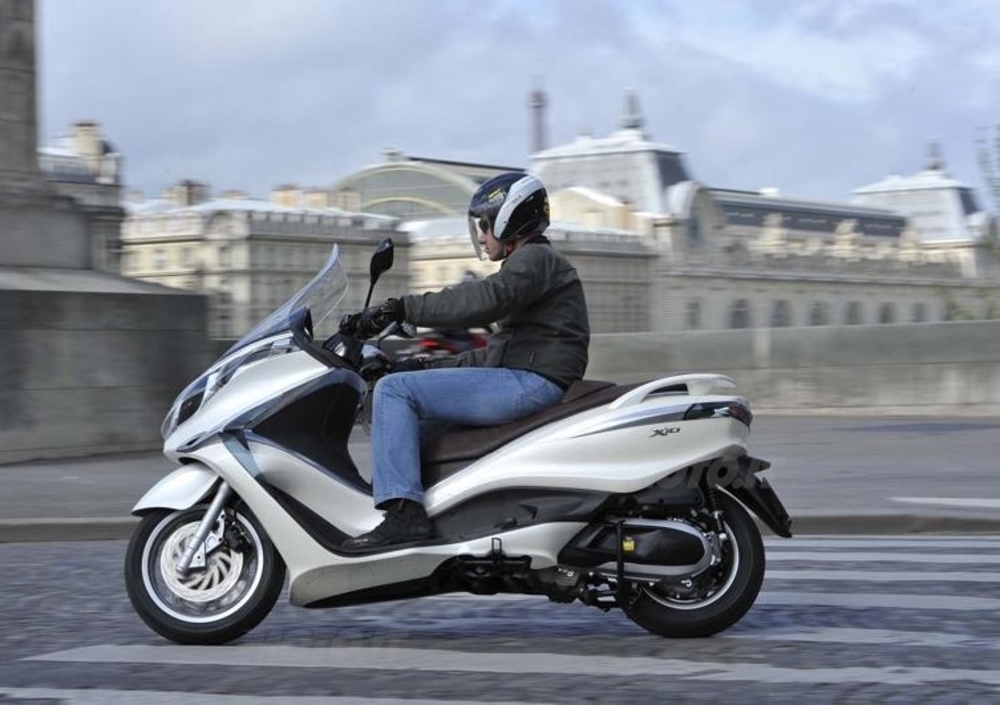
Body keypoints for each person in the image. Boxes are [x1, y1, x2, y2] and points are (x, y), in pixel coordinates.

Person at [339, 172, 590, 552]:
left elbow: (484, 300)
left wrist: (402, 308)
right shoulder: (533, 267)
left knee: (392, 392)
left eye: (486, 226)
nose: (482, 237)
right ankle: (438, 518)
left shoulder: (535, 259)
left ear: (510, 220)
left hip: (534, 384)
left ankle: (405, 517)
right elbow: (492, 357)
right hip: (527, 379)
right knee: (418, 420)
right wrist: (419, 368)